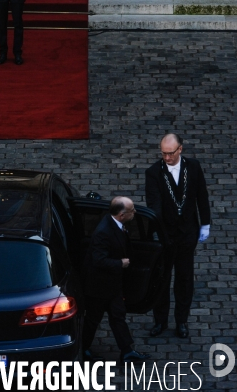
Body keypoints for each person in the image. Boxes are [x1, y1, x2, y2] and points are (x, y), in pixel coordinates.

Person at [145, 133, 211, 339]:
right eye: (163, 154)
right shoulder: (154, 173)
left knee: (184, 280)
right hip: (166, 236)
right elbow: (154, 205)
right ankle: (160, 321)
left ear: (180, 149)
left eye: (170, 153)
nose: (166, 158)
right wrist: (160, 232)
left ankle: (181, 320)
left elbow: (202, 195)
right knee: (162, 280)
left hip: (187, 234)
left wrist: (205, 224)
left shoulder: (193, 167)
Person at [82, 196, 151, 364]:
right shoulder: (103, 232)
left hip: (111, 285)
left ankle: (127, 351)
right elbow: (98, 260)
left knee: (117, 316)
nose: (135, 212)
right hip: (98, 286)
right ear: (121, 215)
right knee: (93, 319)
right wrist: (120, 263)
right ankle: (82, 349)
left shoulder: (116, 224)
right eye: (132, 210)